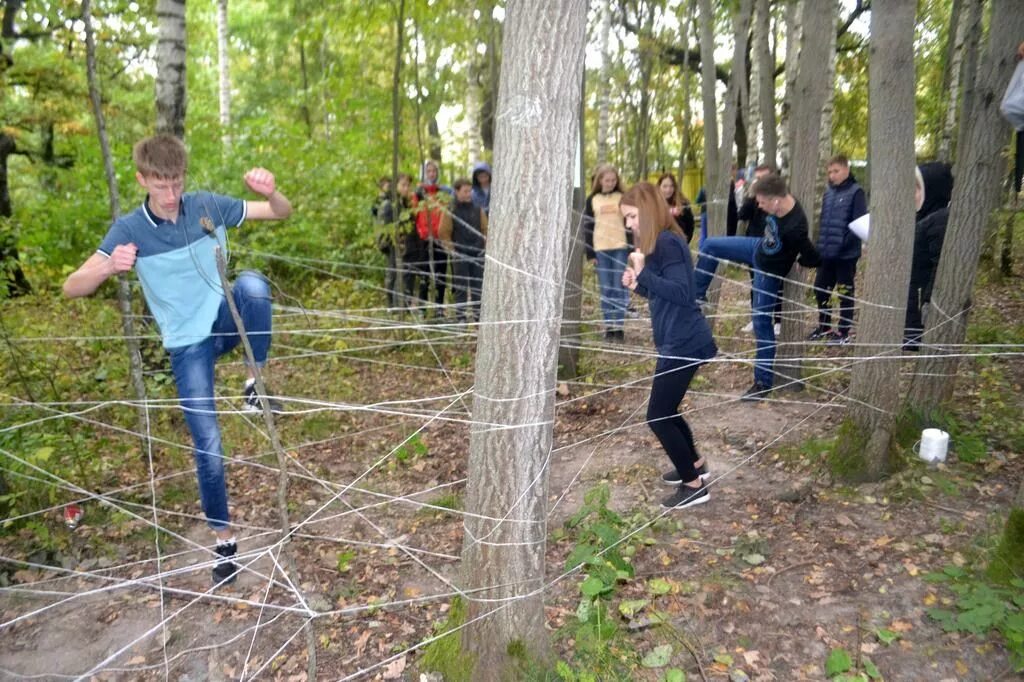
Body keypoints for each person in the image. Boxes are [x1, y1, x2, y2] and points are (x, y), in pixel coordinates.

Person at [63, 134, 293, 585]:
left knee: (252, 286)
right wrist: (108, 267)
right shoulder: (129, 230)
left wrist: (271, 192)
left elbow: (280, 212)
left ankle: (253, 386)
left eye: (176, 183)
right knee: (207, 443)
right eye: (160, 185)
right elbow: (72, 285)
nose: (170, 195)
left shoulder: (206, 205)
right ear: (142, 179)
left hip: (225, 321)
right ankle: (224, 541)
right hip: (186, 345)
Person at [620, 182, 717, 510]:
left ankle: (694, 486)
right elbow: (665, 294)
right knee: (667, 410)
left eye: (632, 216)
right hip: (677, 338)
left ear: (647, 212)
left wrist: (644, 274)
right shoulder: (660, 242)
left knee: (658, 415)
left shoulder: (667, 243)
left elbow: (682, 293)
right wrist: (639, 285)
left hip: (685, 340)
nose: (629, 224)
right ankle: (696, 466)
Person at [693, 173, 820, 400]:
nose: (759, 206)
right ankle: (696, 295)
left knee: (762, 323)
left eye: (761, 202)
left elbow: (811, 255)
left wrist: (802, 262)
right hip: (757, 247)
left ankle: (762, 383)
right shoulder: (780, 202)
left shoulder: (796, 226)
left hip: (768, 271)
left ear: (776, 201)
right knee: (711, 245)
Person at [809, 155, 868, 345]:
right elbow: (824, 222)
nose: (832, 175)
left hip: (845, 254)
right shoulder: (828, 192)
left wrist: (842, 244)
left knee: (845, 293)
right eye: (829, 172)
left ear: (846, 170)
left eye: (836, 171)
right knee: (820, 290)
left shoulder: (856, 192)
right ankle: (824, 327)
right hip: (826, 253)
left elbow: (858, 224)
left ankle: (844, 332)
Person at [904, 162, 954, 349]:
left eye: (917, 188)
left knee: (913, 341)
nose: (913, 194)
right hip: (913, 290)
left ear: (932, 190)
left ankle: (913, 341)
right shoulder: (923, 217)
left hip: (921, 293)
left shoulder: (939, 219)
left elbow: (940, 263)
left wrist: (927, 299)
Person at [584, 164, 630, 341]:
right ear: (600, 180)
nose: (610, 183)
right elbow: (587, 228)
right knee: (606, 289)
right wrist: (590, 253)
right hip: (600, 250)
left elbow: (629, 223)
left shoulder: (623, 197)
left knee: (619, 287)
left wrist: (632, 249)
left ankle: (618, 327)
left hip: (620, 247)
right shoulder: (592, 199)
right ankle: (608, 327)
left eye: (613, 180)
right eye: (607, 180)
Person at [736, 164, 781, 334]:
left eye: (764, 177)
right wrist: (750, 197)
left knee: (775, 281)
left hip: (773, 244)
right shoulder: (754, 198)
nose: (760, 181)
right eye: (758, 178)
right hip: (754, 243)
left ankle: (778, 319)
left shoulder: (780, 198)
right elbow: (742, 215)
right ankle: (756, 318)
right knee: (755, 282)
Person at [439, 178, 488, 322]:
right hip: (460, 254)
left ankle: (478, 317)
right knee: (461, 287)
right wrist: (452, 250)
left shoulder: (477, 209)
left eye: (470, 191)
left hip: (478, 253)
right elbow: (443, 232)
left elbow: (486, 229)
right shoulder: (451, 210)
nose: (468, 194)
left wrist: (484, 248)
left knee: (477, 287)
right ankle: (460, 317)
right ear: (457, 191)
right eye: (465, 191)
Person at [411, 160, 452, 316]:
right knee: (424, 274)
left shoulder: (443, 193)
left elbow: (447, 214)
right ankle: (422, 307)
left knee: (440, 274)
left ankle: (439, 307)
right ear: (424, 173)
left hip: (440, 239)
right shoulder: (419, 194)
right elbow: (414, 214)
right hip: (424, 239)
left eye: (434, 171)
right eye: (428, 171)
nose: (431, 174)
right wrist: (421, 232)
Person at [379, 173, 423, 309]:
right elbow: (385, 230)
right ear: (395, 186)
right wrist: (394, 244)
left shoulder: (408, 203)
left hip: (410, 248)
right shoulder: (389, 205)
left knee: (407, 278)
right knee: (394, 276)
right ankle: (393, 307)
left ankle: (404, 306)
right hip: (395, 247)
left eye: (408, 185)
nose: (406, 188)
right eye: (403, 185)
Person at [657, 172, 695, 243]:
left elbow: (690, 226)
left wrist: (684, 244)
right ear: (659, 186)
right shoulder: (654, 204)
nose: (668, 190)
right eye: (665, 186)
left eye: (671, 186)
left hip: (678, 244)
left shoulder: (683, 203)